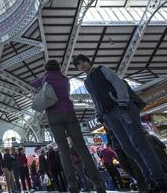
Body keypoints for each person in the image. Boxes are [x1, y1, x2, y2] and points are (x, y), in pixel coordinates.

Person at [73, 54, 167, 192]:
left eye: (83, 62)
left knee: (140, 144)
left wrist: (122, 101)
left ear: (88, 61)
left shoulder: (102, 69)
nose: (82, 65)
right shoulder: (87, 82)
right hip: (109, 116)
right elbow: (95, 99)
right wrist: (99, 114)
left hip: (122, 108)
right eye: (79, 64)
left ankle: (160, 180)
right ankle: (150, 180)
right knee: (128, 148)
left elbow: (118, 83)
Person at [30, 59, 106, 193]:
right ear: (58, 67)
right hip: (69, 113)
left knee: (64, 151)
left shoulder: (46, 77)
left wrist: (41, 82)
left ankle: (72, 186)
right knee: (82, 148)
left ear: (47, 68)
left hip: (53, 115)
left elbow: (32, 84)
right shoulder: (65, 79)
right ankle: (98, 183)